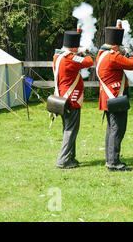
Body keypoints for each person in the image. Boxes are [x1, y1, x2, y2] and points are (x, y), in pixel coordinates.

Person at [97, 26, 133, 172]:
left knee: (111, 129)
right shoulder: (113, 56)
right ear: (115, 45)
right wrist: (130, 53)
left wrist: (122, 52)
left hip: (108, 97)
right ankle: (113, 162)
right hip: (116, 97)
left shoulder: (102, 53)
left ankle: (110, 160)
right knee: (117, 129)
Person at [54, 31, 93, 169]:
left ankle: (71, 157)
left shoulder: (58, 56)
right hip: (71, 98)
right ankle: (63, 160)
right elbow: (89, 62)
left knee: (68, 128)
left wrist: (79, 54)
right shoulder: (70, 58)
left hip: (62, 97)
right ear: (74, 47)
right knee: (70, 130)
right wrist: (84, 54)